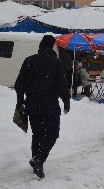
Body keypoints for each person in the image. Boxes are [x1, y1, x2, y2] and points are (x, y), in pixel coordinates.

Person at [15, 34, 70, 179]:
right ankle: (39, 159)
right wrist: (66, 102)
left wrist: (20, 102)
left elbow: (18, 84)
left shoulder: (29, 61)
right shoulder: (55, 63)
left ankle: (36, 161)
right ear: (52, 46)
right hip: (50, 105)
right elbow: (62, 85)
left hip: (32, 105)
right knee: (52, 134)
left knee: (37, 134)